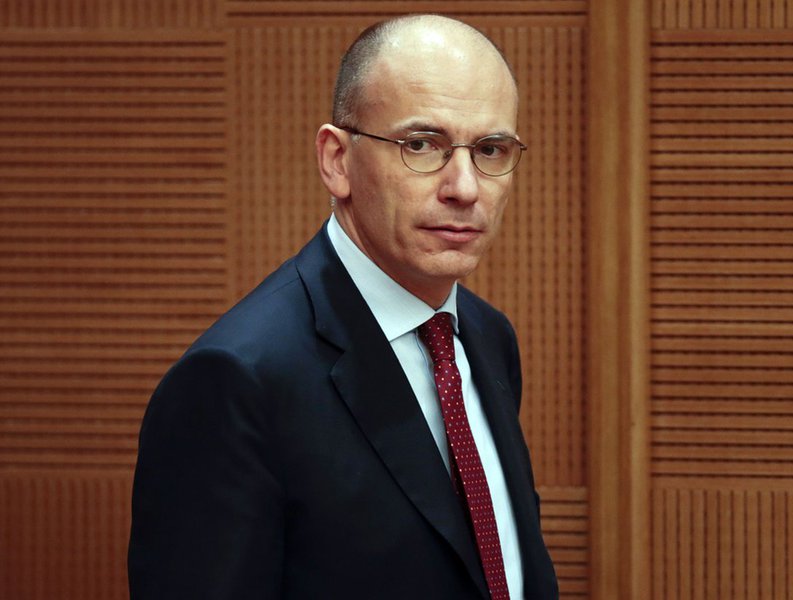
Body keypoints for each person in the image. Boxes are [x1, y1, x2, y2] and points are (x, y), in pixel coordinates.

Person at [128, 14, 558, 599]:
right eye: (421, 145)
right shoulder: (236, 381)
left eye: (490, 149)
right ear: (337, 160)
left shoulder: (486, 336)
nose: (464, 187)